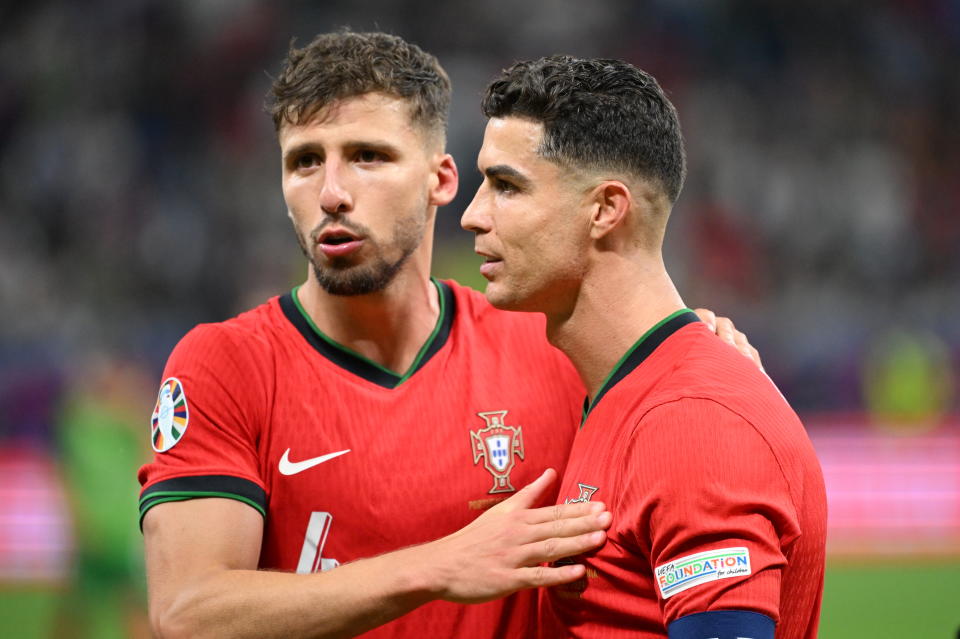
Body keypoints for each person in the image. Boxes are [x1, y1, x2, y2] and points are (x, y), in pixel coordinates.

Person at [139, 32, 761, 639]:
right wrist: (436, 566)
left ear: (441, 180)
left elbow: (671, 425)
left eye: (368, 156)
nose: (331, 193)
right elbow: (188, 611)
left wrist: (699, 363)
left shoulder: (551, 344)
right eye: (304, 161)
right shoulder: (225, 366)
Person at [461, 55, 827, 639]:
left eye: (506, 186)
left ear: (605, 209)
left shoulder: (694, 422)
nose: (473, 216)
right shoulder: (628, 393)